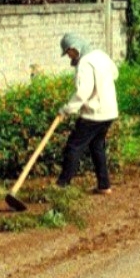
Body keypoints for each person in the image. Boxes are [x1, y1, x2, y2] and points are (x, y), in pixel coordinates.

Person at [56, 33, 118, 195]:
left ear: (74, 48)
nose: (68, 56)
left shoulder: (84, 62)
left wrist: (66, 109)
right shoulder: (101, 55)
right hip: (110, 111)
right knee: (97, 146)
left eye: (68, 52)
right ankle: (104, 185)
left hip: (94, 114)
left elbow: (83, 92)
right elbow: (115, 74)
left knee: (73, 147)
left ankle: (62, 186)